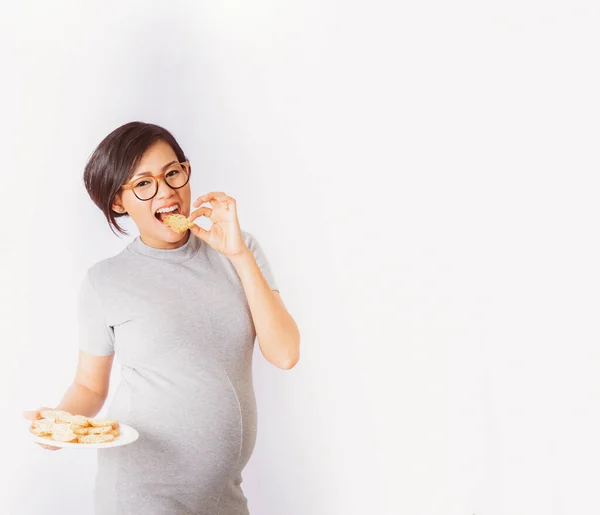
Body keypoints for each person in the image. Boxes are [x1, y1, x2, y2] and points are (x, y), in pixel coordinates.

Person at [23, 121, 300, 514]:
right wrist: (58, 425)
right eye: (144, 184)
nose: (167, 191)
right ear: (119, 201)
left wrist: (238, 255)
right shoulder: (106, 281)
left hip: (223, 495)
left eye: (172, 173)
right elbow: (89, 384)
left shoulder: (239, 251)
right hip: (142, 493)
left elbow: (285, 353)